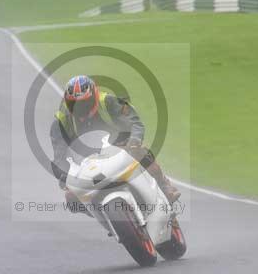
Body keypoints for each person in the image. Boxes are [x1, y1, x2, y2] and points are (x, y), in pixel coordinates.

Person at [50, 75, 181, 211]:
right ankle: (106, 218)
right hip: (86, 162)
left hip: (119, 146)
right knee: (71, 199)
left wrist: (134, 141)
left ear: (94, 96)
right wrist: (64, 175)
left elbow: (135, 122)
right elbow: (59, 152)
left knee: (141, 152)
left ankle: (164, 186)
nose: (80, 108)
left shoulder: (108, 101)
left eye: (85, 103)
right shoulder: (60, 121)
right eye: (74, 104)